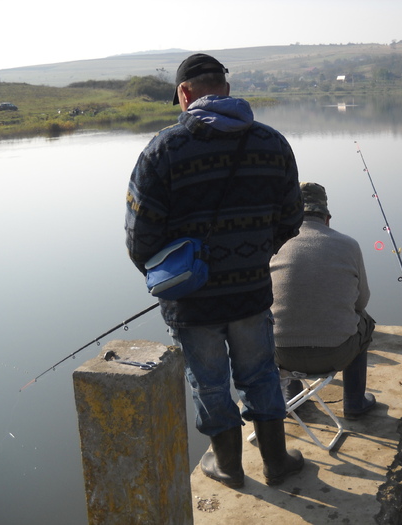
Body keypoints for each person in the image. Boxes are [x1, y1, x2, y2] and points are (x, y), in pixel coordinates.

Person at [125, 53, 305, 488]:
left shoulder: (162, 150)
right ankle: (277, 463)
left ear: (184, 94)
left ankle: (228, 466)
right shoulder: (273, 143)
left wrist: (179, 273)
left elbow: (139, 238)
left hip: (191, 301)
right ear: (225, 89)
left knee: (208, 385)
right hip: (251, 291)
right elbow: (291, 218)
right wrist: (253, 255)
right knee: (261, 374)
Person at [270, 182, 377, 419]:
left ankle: (292, 399)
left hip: (281, 355)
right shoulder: (349, 245)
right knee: (366, 322)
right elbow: (362, 303)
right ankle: (354, 403)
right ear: (327, 218)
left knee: (277, 321)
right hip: (336, 354)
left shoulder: (273, 244)